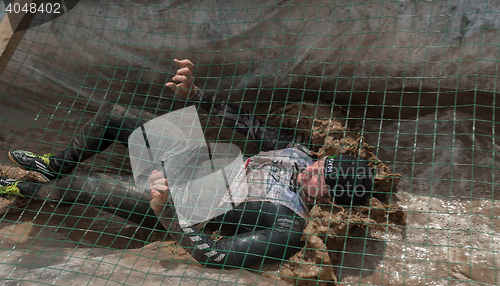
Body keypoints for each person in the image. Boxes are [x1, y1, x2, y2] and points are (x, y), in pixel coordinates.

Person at [0, 59, 374, 268]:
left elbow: (214, 255)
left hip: (178, 205)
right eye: (321, 163)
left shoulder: (288, 223)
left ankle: (27, 188)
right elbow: (244, 121)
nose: (311, 169)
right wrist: (195, 93)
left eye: (320, 179)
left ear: (328, 198)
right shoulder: (297, 152)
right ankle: (55, 164)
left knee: (89, 185)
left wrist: (165, 212)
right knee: (116, 117)